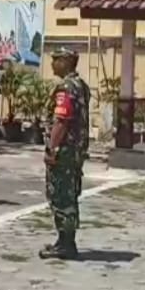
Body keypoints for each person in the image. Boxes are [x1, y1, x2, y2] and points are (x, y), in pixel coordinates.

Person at [40, 48, 91, 261]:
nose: (52, 64)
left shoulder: (66, 87)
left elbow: (61, 120)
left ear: (67, 62)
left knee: (61, 195)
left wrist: (52, 149)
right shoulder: (81, 85)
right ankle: (64, 241)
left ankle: (66, 243)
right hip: (75, 151)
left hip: (65, 151)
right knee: (70, 192)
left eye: (56, 60)